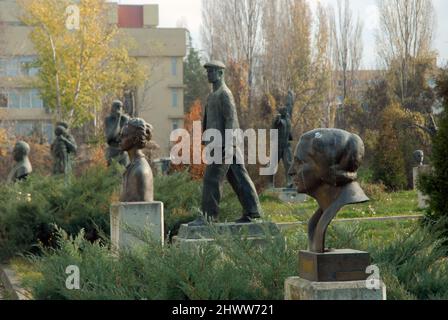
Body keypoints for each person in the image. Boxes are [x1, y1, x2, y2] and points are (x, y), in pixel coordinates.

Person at [188, 60, 262, 226]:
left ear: (221, 73)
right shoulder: (212, 95)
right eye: (207, 71)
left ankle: (209, 217)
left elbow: (231, 120)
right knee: (238, 178)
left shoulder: (224, 94)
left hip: (225, 144)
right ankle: (253, 212)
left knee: (211, 179)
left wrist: (228, 144)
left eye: (212, 71)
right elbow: (208, 119)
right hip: (217, 143)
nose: (208, 74)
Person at [289, 128, 369, 253]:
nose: (291, 171)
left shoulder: (321, 218)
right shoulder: (315, 222)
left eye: (300, 163)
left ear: (324, 167)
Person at [119, 118, 154, 202]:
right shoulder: (133, 166)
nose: (120, 139)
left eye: (124, 135)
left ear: (135, 139)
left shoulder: (139, 171)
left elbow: (136, 210)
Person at [271, 106, 293, 188]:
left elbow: (289, 132)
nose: (286, 111)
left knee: (288, 164)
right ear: (281, 112)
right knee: (273, 165)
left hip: (286, 146)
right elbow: (275, 124)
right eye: (284, 110)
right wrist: (277, 118)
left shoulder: (288, 120)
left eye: (286, 110)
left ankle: (290, 181)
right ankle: (270, 183)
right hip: (277, 146)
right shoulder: (280, 120)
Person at [105, 100, 130, 167]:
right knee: (112, 173)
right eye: (116, 107)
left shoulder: (125, 119)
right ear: (112, 108)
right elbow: (111, 136)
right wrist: (117, 120)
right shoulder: (108, 119)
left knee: (124, 172)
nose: (118, 109)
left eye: (120, 107)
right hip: (112, 150)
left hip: (123, 151)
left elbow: (125, 135)